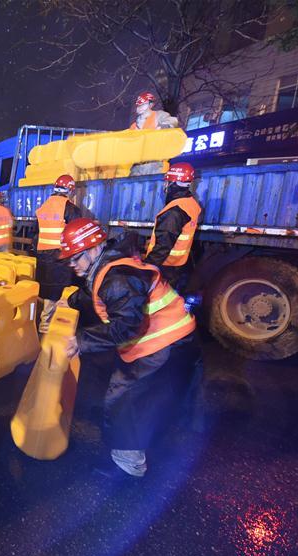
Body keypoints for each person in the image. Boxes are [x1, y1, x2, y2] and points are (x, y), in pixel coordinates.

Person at [58, 218, 200, 478]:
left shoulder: (117, 276)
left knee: (122, 399)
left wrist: (82, 340)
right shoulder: (110, 266)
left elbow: (125, 326)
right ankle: (162, 437)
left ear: (93, 249)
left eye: (75, 258)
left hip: (162, 342)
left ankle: (128, 465)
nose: (72, 264)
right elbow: (99, 292)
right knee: (155, 397)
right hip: (176, 338)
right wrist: (71, 300)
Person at [35, 174, 89, 332]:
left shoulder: (43, 207)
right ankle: (55, 328)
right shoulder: (71, 208)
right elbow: (76, 234)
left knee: (47, 292)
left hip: (43, 256)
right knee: (60, 292)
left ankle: (44, 325)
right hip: (61, 257)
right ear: (70, 190)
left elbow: (36, 233)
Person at [143, 162, 202, 293]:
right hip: (177, 264)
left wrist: (147, 268)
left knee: (156, 300)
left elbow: (163, 245)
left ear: (174, 183)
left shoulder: (174, 211)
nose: (165, 185)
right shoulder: (190, 203)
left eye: (167, 181)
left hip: (165, 266)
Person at [129, 92, 180, 176]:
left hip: (155, 163)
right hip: (137, 166)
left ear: (150, 105)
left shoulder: (159, 115)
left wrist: (163, 127)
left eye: (143, 104)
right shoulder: (134, 126)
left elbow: (172, 121)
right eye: (138, 106)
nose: (140, 107)